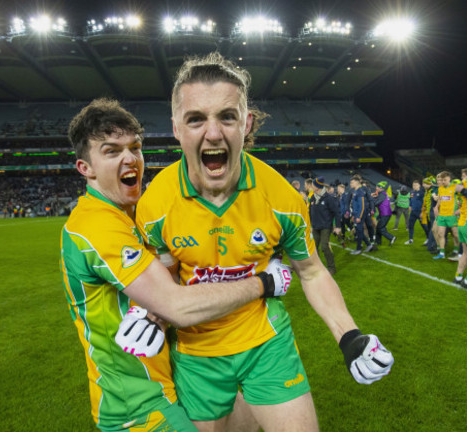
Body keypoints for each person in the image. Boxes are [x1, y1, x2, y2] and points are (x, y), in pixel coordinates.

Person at [133, 53, 393, 432]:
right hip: (195, 352)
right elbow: (164, 275)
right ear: (176, 127)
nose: (213, 133)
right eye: (196, 119)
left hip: (266, 342)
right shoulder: (154, 205)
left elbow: (312, 271)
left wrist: (349, 335)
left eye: (227, 116)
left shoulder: (283, 198)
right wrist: (150, 313)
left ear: (246, 122)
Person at [61, 98, 292, 431]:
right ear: (86, 168)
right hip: (138, 406)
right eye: (112, 151)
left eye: (135, 147)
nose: (130, 158)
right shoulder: (95, 226)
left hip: (168, 383)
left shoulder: (133, 215)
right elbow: (178, 306)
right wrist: (264, 283)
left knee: (250, 401)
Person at [309, 177, 342, 274]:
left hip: (325, 226)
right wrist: (311, 225)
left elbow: (336, 212)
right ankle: (317, 267)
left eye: (313, 185)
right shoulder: (312, 197)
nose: (311, 186)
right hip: (315, 227)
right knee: (314, 249)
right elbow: (310, 212)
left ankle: (331, 267)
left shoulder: (329, 198)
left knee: (324, 247)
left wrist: (338, 226)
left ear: (317, 187)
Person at [432, 172, 459, 260]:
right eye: (442, 180)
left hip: (452, 215)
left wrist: (459, 207)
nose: (443, 182)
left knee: (455, 234)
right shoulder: (440, 188)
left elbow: (461, 198)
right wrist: (436, 207)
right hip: (442, 215)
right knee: (440, 234)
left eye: (445, 180)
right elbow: (440, 199)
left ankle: (457, 250)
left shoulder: (455, 187)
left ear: (449, 179)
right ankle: (442, 253)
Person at [349, 176, 373, 254]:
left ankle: (359, 249)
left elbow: (362, 206)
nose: (350, 184)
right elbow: (355, 205)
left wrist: (359, 216)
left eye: (352, 182)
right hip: (356, 214)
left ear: (357, 182)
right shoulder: (355, 191)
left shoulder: (359, 192)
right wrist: (353, 215)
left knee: (359, 231)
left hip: (360, 214)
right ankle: (368, 245)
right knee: (359, 231)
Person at [372, 181, 396, 246]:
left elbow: (377, 202)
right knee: (378, 228)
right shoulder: (382, 194)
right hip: (384, 213)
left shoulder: (382, 194)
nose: (376, 188)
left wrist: (371, 200)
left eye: (377, 187)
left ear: (381, 188)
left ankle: (391, 237)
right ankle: (378, 242)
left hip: (385, 214)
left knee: (380, 228)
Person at [405, 180, 426, 244]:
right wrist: (410, 205)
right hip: (413, 212)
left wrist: (422, 212)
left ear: (419, 185)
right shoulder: (411, 192)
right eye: (413, 185)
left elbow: (424, 202)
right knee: (410, 226)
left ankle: (428, 238)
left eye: (416, 185)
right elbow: (410, 200)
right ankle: (410, 240)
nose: (414, 186)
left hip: (420, 212)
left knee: (424, 226)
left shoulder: (422, 193)